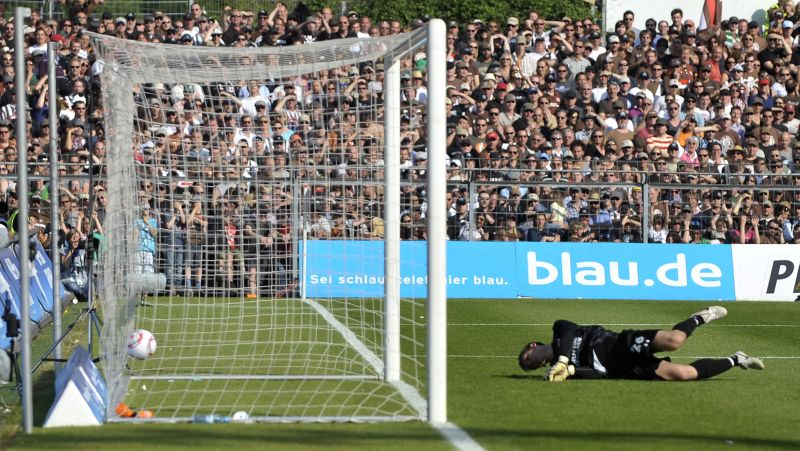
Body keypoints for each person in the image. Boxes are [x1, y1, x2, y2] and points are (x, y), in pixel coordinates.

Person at [518, 306, 764, 381]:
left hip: (620, 344)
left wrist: (562, 359)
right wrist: (570, 370)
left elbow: (569, 328)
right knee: (684, 373)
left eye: (527, 359)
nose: (531, 364)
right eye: (530, 368)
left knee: (675, 341)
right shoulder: (560, 371)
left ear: (532, 346)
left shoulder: (559, 331)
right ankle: (737, 359)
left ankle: (700, 317)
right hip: (625, 369)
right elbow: (600, 374)